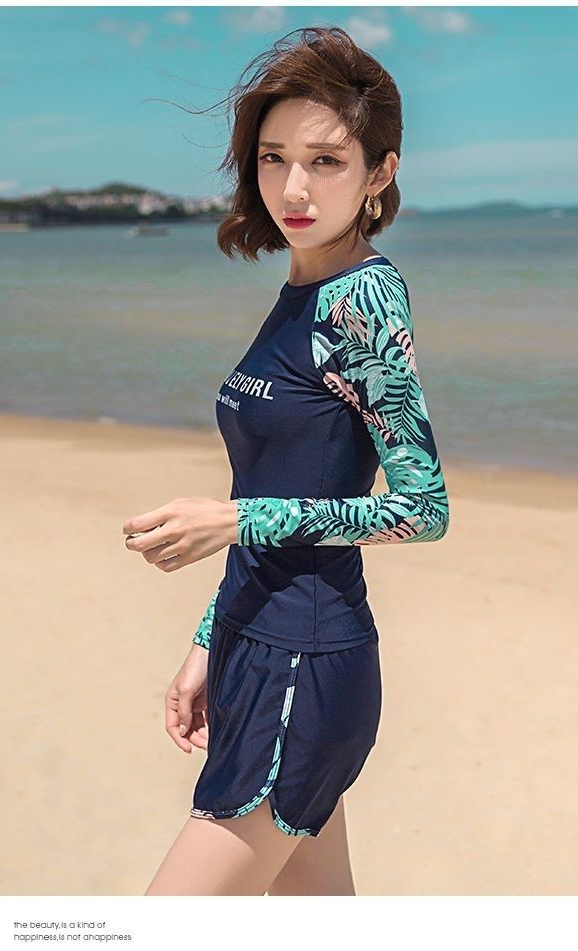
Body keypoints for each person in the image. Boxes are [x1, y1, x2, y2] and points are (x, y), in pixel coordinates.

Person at [122, 26, 450, 896]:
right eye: (274, 158)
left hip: (307, 663)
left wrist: (236, 519)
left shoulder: (364, 297)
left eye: (326, 161)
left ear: (379, 172)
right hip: (255, 642)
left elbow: (422, 507)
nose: (293, 187)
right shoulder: (301, 289)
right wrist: (211, 636)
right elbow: (279, 483)